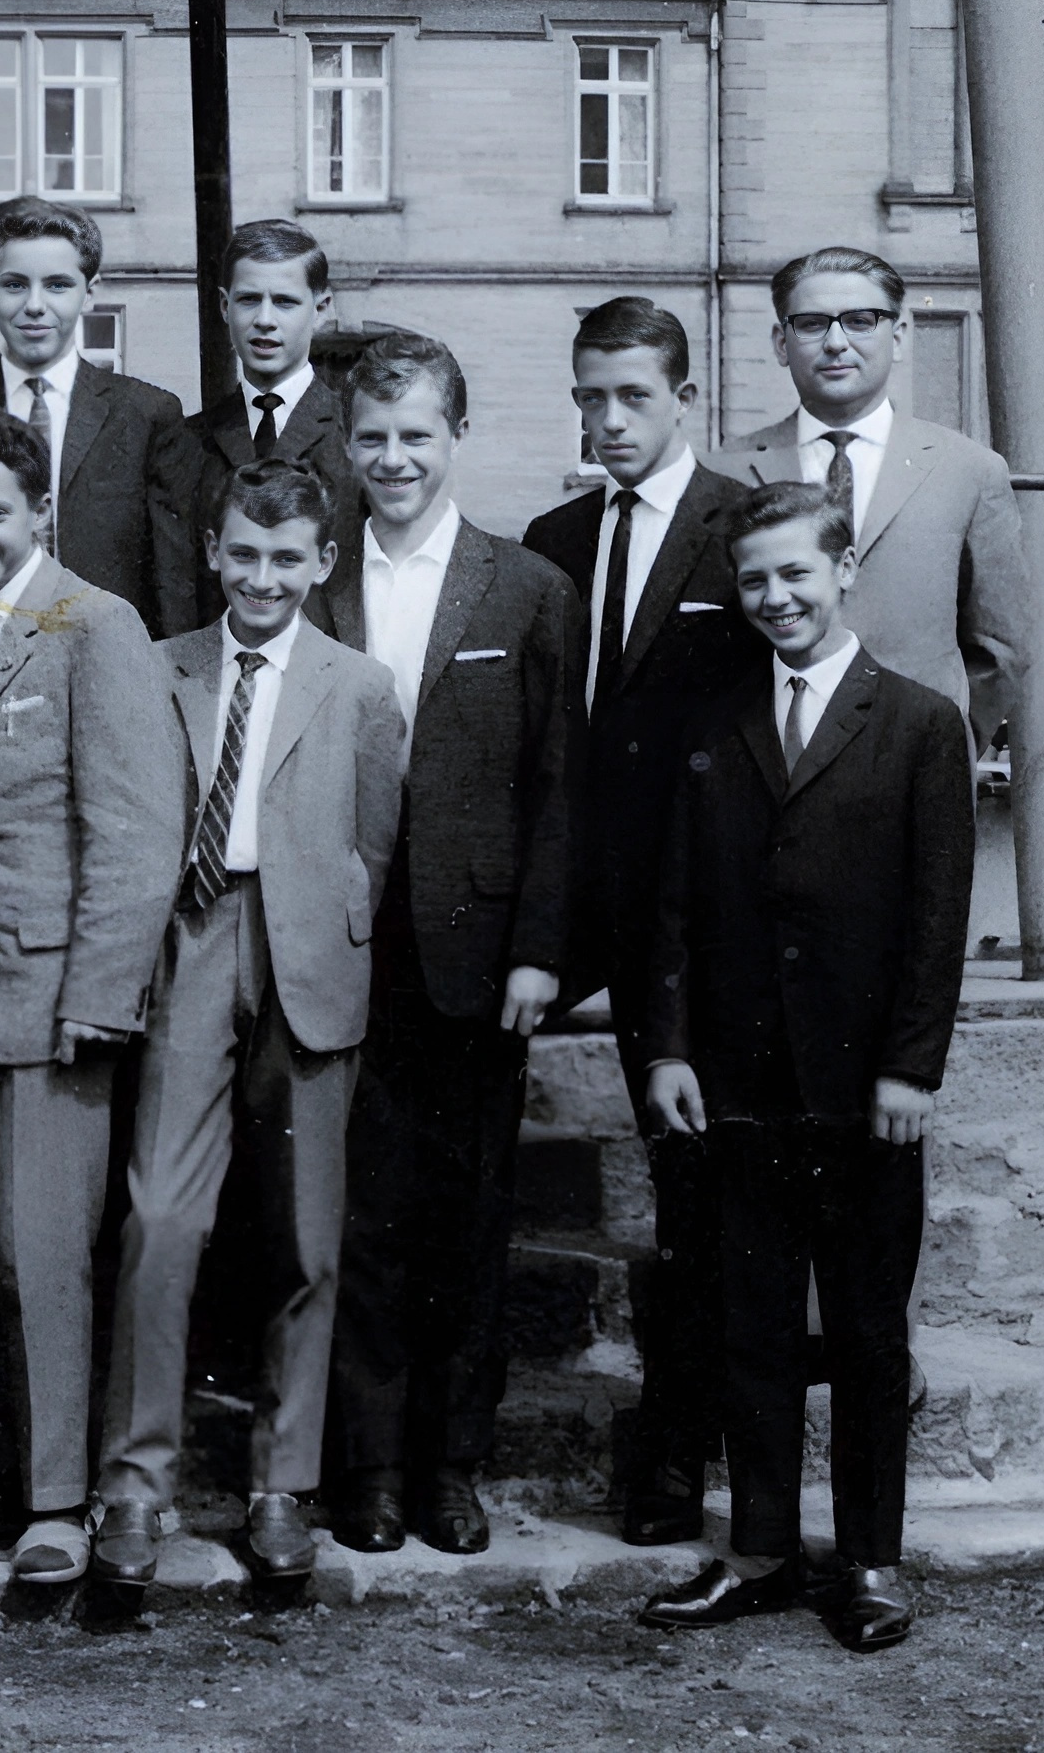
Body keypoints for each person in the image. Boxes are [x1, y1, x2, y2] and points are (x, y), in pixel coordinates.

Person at [637, 482, 973, 1654]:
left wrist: (909, 1069)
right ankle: (763, 1550)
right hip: (739, 1083)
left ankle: (871, 1560)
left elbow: (937, 917)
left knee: (869, 1329)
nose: (776, 597)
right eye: (754, 580)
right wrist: (668, 1048)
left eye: (795, 573)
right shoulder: (716, 724)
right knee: (754, 1324)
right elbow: (672, 907)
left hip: (864, 1089)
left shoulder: (918, 723)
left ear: (842, 573)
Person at [91, 459, 405, 1594]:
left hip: (308, 947)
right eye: (244, 555)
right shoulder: (159, 665)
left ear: (323, 563)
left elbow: (374, 840)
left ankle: (284, 1482)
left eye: (287, 559)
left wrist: (326, 926)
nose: (262, 578)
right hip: (191, 937)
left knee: (305, 1235)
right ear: (213, 552)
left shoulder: (359, 685)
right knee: (161, 1219)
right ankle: (136, 1481)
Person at [0, 408, 186, 1587]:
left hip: (52, 992)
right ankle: (2, 1483)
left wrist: (101, 991)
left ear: (40, 512)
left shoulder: (93, 622)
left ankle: (61, 1505)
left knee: (41, 1256)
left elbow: (137, 825)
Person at [319, 332, 575, 1558]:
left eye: (415, 435)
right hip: (341, 942)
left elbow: (558, 784)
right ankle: (368, 1467)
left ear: (456, 436)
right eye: (371, 437)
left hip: (475, 951)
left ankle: (450, 1464)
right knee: (360, 1212)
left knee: (467, 1217)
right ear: (343, 444)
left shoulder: (522, 588)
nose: (393, 459)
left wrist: (538, 949)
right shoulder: (316, 575)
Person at [520, 296, 764, 1547]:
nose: (608, 421)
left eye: (631, 397)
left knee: (694, 1186)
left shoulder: (742, 527)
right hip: (582, 896)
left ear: (683, 399)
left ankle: (678, 1456)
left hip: (700, 908)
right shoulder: (554, 538)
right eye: (590, 398)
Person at [708, 246, 1030, 729]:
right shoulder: (722, 472)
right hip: (770, 752)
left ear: (897, 337)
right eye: (812, 324)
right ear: (781, 343)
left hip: (917, 756)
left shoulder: (969, 469)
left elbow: (1003, 646)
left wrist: (947, 745)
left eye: (860, 321)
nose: (836, 342)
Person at [0, 195, 201, 651]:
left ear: (89, 293)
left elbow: (172, 582)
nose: (35, 305)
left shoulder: (145, 414)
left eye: (58, 285)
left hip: (105, 658)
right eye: (15, 285)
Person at [185, 220, 355, 625]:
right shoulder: (189, 441)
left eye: (284, 301)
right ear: (224, 306)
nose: (264, 319)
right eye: (248, 300)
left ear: (321, 309)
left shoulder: (354, 436)